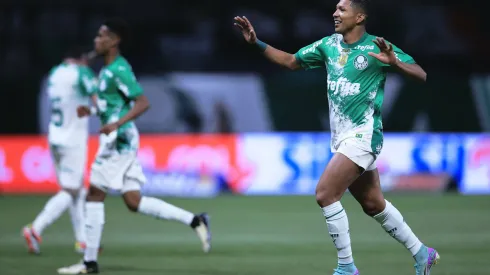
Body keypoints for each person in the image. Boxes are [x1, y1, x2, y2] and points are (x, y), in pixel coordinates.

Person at [234, 0, 439, 274]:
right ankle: (422, 253)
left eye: (342, 9)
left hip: (364, 136)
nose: (335, 13)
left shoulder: (376, 47)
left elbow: (421, 75)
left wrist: (395, 63)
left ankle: (346, 267)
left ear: (360, 16)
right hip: (342, 138)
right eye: (335, 9)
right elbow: (291, 61)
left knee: (325, 193)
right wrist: (257, 43)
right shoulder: (328, 45)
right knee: (373, 203)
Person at [57, 18, 211, 274]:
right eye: (97, 36)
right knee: (133, 201)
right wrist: (94, 109)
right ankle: (196, 220)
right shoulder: (106, 71)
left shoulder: (119, 69)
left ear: (114, 41)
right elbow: (114, 104)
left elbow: (142, 103)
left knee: (95, 193)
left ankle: (89, 263)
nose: (96, 40)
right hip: (122, 138)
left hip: (119, 139)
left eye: (102, 36)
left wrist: (116, 124)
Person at [23, 47, 98, 255]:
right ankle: (36, 228)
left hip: (55, 136)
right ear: (81, 57)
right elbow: (98, 102)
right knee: (70, 190)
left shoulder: (55, 73)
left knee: (76, 188)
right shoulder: (82, 73)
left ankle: (82, 240)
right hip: (73, 138)